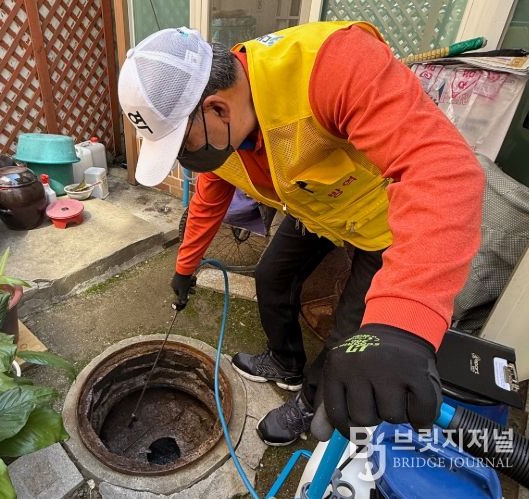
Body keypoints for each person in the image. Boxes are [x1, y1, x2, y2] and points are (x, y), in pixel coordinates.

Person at [117, 23, 483, 445]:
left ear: (217, 109)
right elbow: (207, 202)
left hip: (382, 222)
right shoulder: (221, 139)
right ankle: (286, 362)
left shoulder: (330, 64)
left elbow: (442, 170)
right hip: (316, 208)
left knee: (349, 336)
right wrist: (185, 269)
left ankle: (310, 400)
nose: (186, 160)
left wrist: (404, 322)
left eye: (183, 146)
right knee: (272, 276)